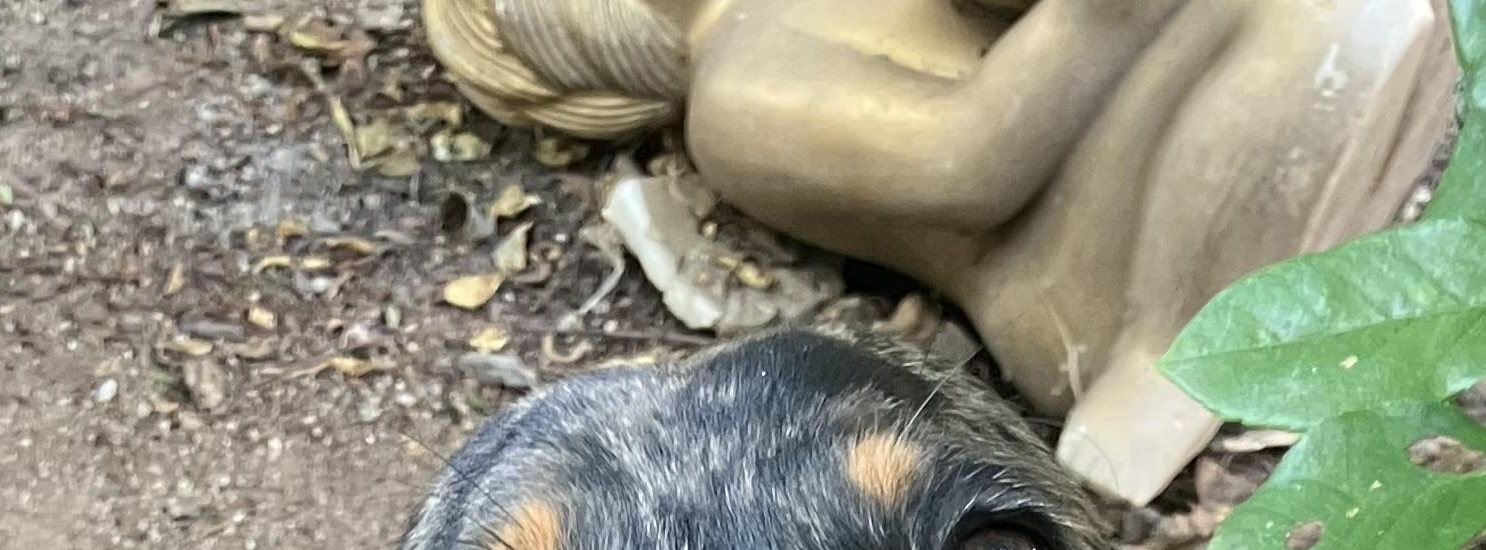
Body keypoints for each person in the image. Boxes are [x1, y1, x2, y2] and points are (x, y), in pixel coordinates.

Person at [424, 0, 1450, 501]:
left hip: (1132, 110)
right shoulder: (739, 88)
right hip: (1081, 258)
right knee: (1294, 35)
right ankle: (1164, 360)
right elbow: (966, 161)